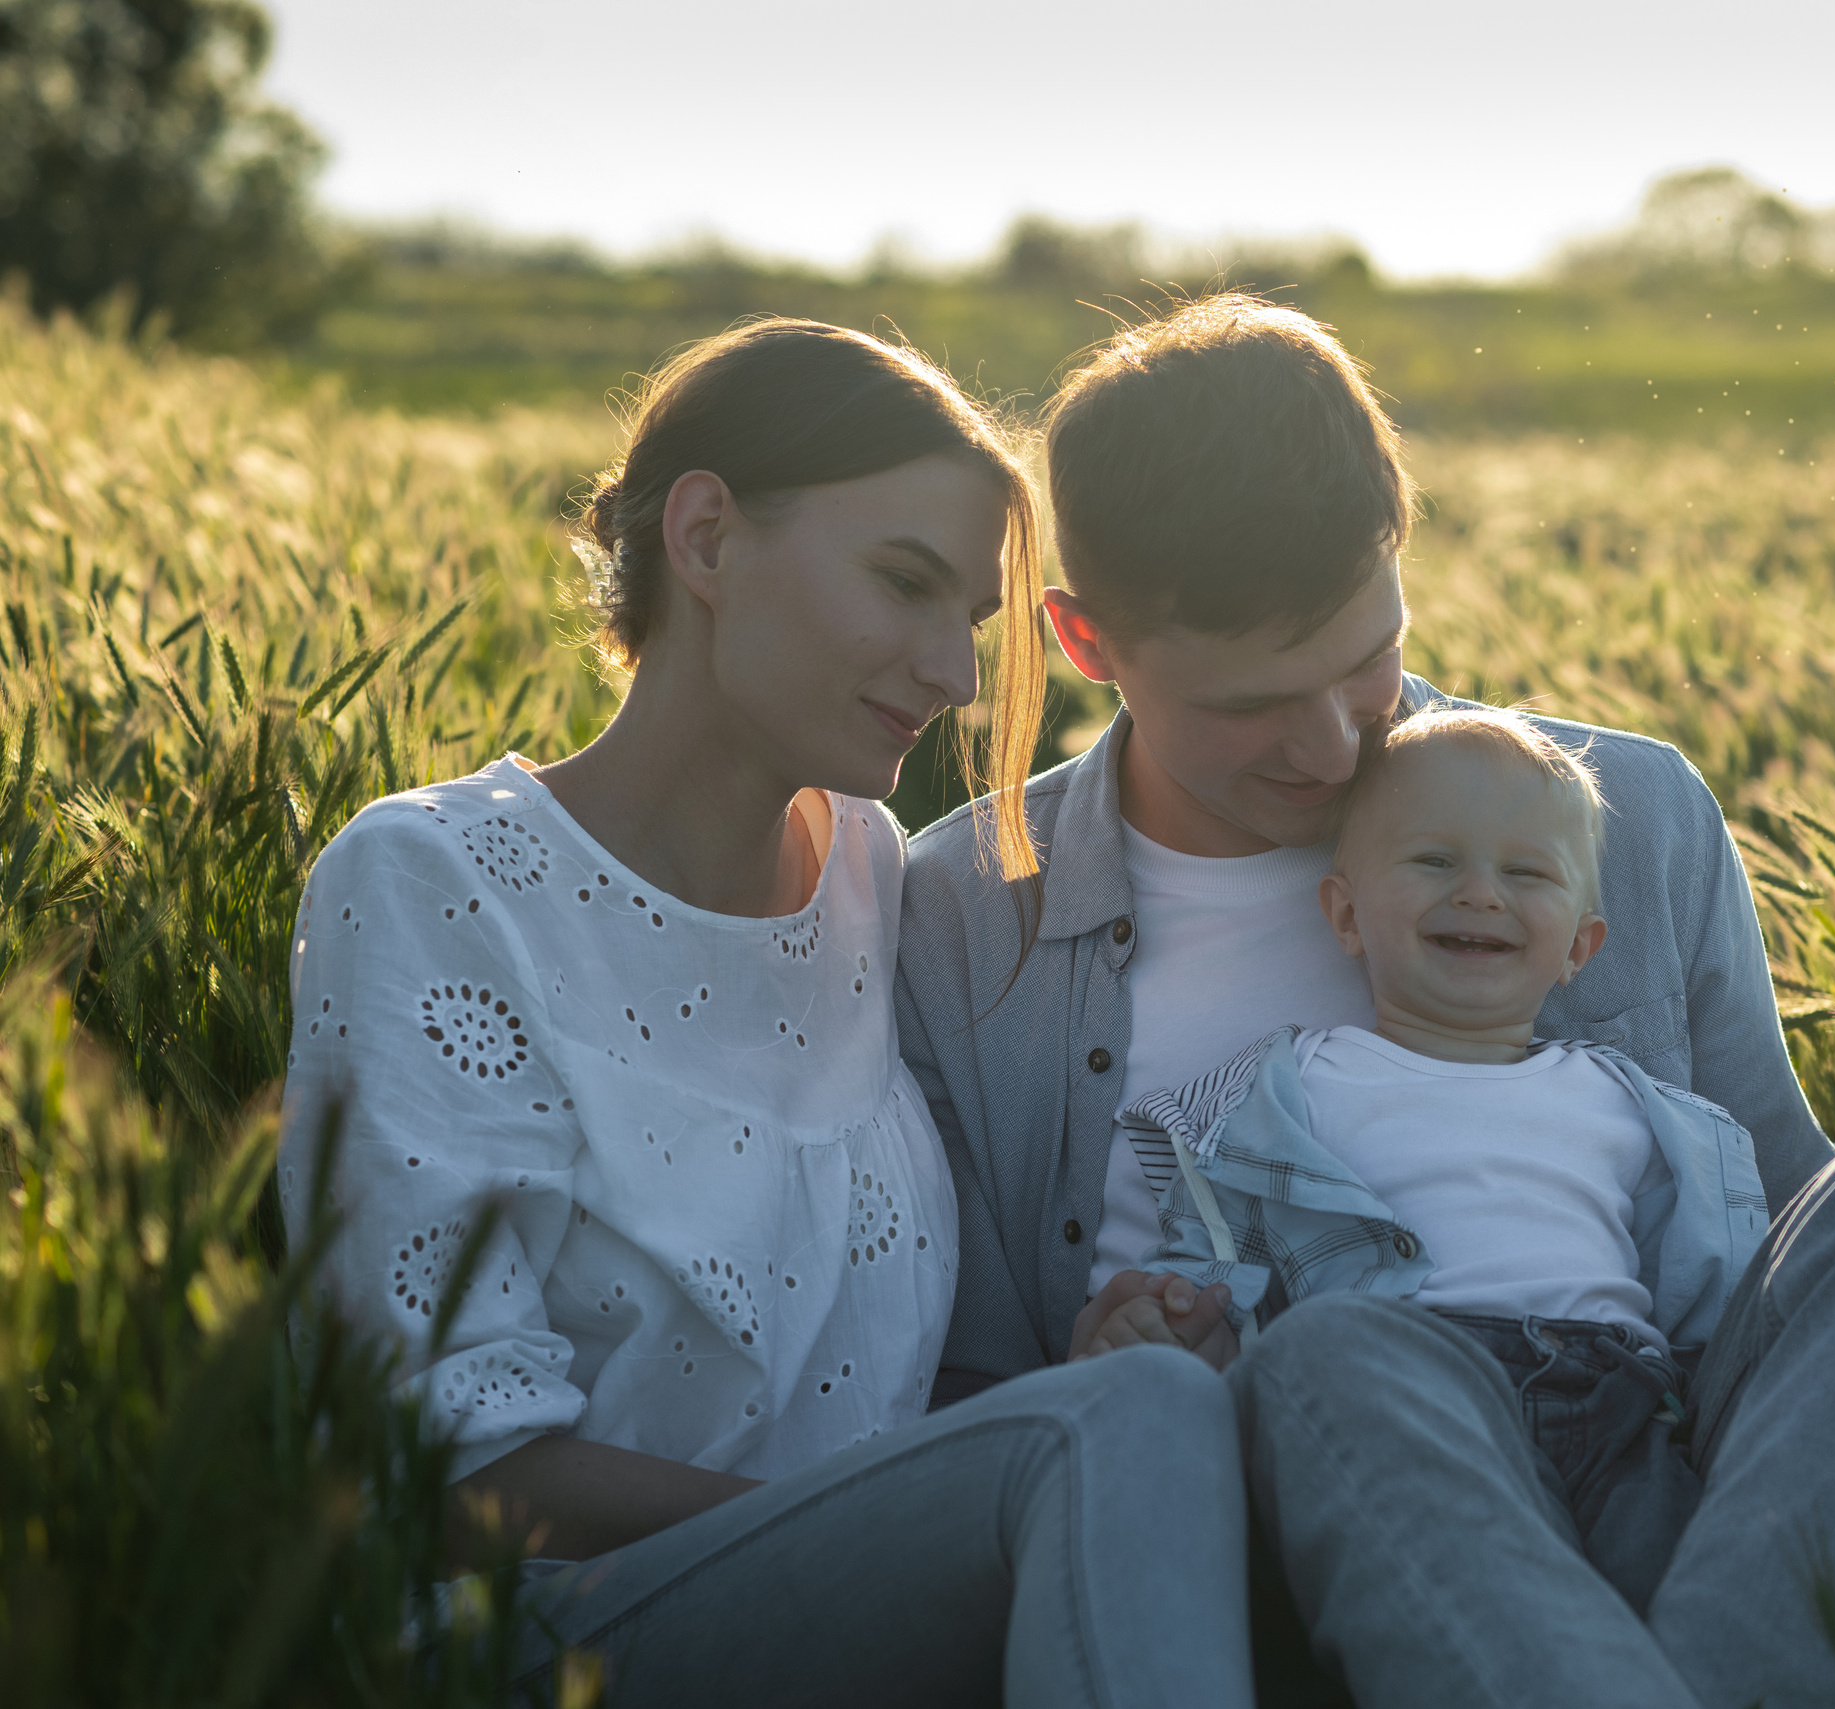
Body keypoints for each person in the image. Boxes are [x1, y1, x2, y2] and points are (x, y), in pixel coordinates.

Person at [895, 295, 1835, 1707]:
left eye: (1365, 661)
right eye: (1253, 705)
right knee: (1338, 1350)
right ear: (1088, 642)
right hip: (1302, 1515)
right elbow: (978, 1399)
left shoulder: (1625, 810)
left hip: (1656, 1451)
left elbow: (1777, 1213)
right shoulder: (967, 912)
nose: (1333, 745)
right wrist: (1126, 1360)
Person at [277, 318, 1253, 1709]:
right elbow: (445, 1469)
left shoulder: (871, 872)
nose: (955, 672)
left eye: (972, 622)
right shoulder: (441, 879)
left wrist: (1069, 1378)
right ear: (706, 536)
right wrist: (910, 1518)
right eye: (904, 583)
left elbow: (880, 1392)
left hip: (866, 1620)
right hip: (537, 1642)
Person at [1124, 706, 1776, 1611]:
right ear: (1346, 914)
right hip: (1411, 1391)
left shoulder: (1632, 1106)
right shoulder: (1297, 1085)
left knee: (1677, 1583)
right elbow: (1217, 1237)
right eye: (1435, 861)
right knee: (1496, 1582)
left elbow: (1711, 1282)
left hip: (1618, 1400)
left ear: (1579, 946)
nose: (1479, 893)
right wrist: (1177, 1313)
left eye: (1526, 872)